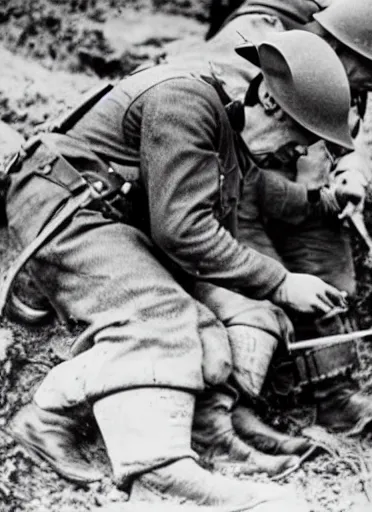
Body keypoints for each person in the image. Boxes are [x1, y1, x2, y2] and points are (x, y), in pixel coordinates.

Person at [5, 31, 352, 510]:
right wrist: (282, 282)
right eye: (296, 144)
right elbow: (182, 233)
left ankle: (208, 432)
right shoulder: (188, 99)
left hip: (103, 219)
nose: (293, 157)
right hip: (64, 207)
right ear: (269, 100)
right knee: (161, 314)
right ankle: (154, 469)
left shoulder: (231, 150)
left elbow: (213, 241)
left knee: (203, 323)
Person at [168, 0, 372, 435]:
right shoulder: (259, 45)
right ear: (337, 44)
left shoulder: (345, 76)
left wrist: (349, 171)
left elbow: (347, 135)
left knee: (330, 273)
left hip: (293, 184)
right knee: (253, 291)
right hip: (233, 187)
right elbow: (193, 106)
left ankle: (332, 396)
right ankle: (236, 408)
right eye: (370, 66)